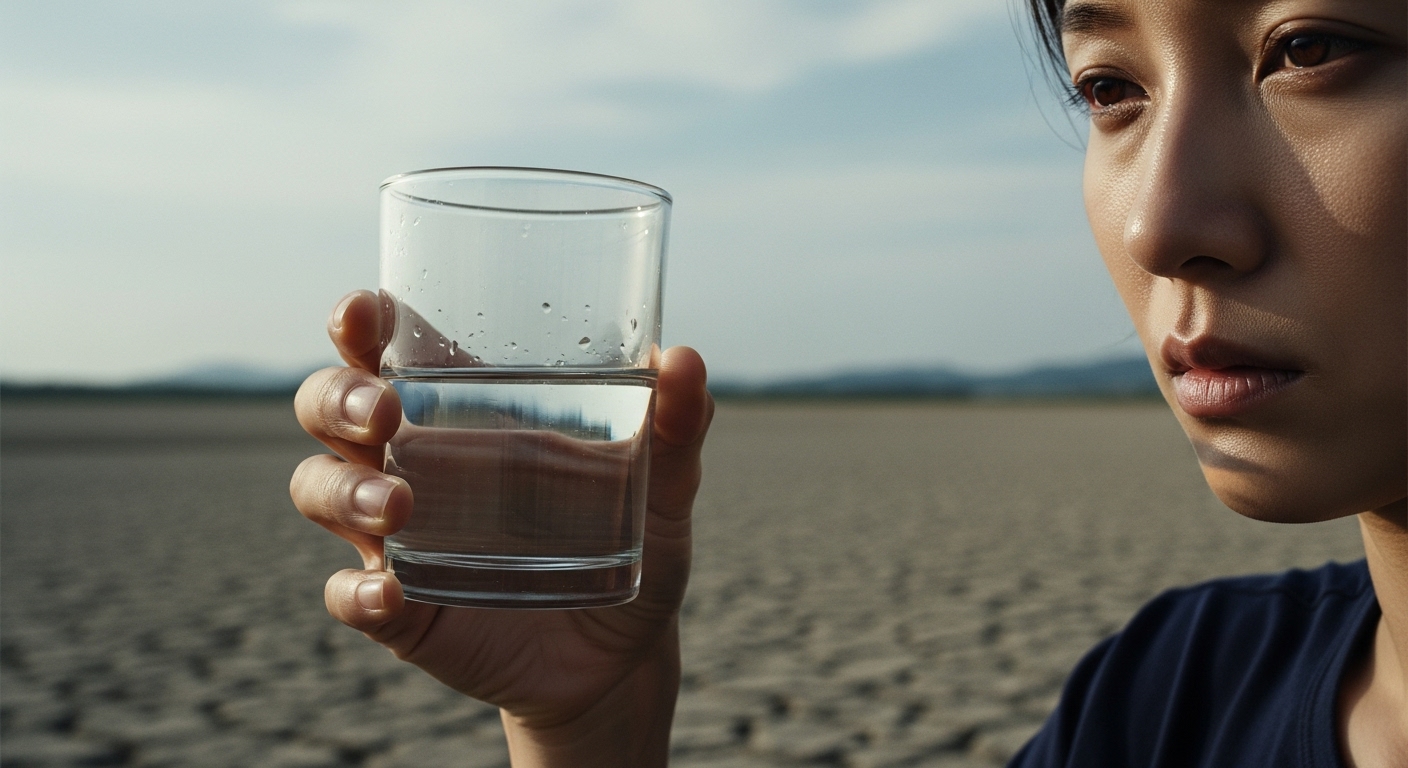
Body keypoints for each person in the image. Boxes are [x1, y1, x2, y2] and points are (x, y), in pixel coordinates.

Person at [289, 0, 1406, 764]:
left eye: (1308, 49)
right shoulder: (1170, 699)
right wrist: (588, 730)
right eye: (1109, 87)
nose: (1159, 223)